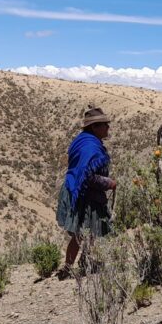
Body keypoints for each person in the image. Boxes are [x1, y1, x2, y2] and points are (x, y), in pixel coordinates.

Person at [55, 107, 117, 280]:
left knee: (87, 231)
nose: (108, 128)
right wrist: (108, 183)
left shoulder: (82, 140)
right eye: (105, 125)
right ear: (95, 127)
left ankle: (84, 261)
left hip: (76, 188)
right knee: (80, 232)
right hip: (84, 194)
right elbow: (88, 176)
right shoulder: (90, 146)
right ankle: (68, 268)